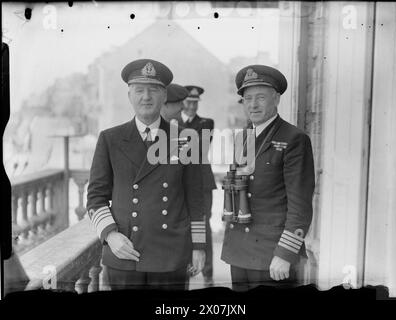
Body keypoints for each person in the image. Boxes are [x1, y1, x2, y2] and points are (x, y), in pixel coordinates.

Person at [86, 59, 206, 291]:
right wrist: (110, 236)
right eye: (139, 90)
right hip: (125, 250)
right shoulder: (110, 139)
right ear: (129, 95)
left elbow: (196, 199)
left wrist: (199, 246)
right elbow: (95, 197)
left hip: (170, 253)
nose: (146, 97)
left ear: (164, 96)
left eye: (153, 91)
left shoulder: (185, 139)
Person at [221, 65, 315, 291]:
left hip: (272, 255)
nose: (253, 105)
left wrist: (285, 253)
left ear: (276, 99)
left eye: (261, 97)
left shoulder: (294, 139)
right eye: (248, 98)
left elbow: (300, 204)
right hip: (239, 252)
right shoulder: (242, 137)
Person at [180, 85, 217, 287]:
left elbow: (195, 148)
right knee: (183, 226)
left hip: (202, 183)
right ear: (182, 103)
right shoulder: (172, 123)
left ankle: (208, 274)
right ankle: (185, 269)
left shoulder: (206, 123)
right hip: (181, 182)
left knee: (203, 226)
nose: (192, 106)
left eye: (195, 103)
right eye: (188, 102)